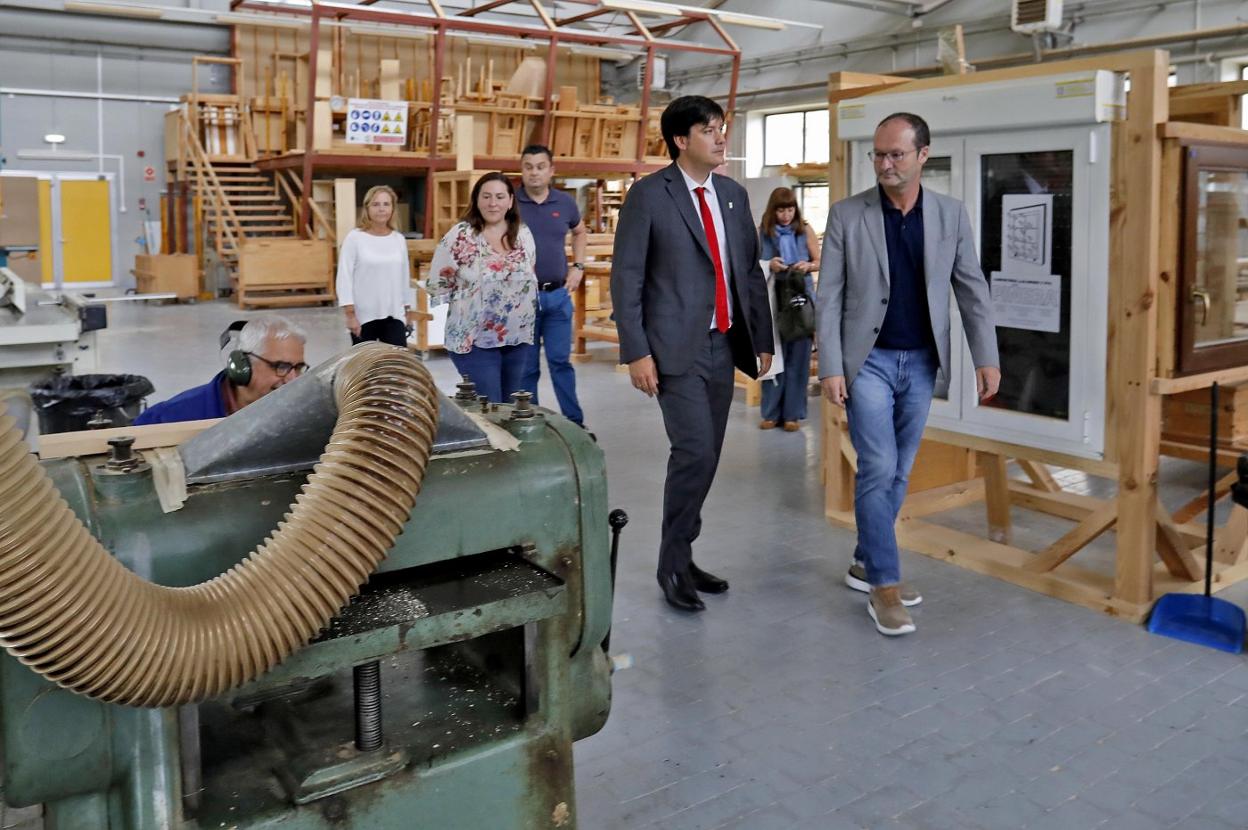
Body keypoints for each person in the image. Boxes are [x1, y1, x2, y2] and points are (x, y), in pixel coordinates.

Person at [816, 111, 1000, 637]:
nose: (885, 163)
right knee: (877, 466)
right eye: (879, 154)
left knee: (899, 471)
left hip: (921, 361)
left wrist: (986, 356)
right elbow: (828, 298)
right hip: (867, 362)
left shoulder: (949, 215)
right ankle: (885, 584)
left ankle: (864, 559)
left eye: (896, 154)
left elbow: (971, 289)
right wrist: (830, 366)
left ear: (923, 155)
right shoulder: (848, 216)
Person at [611, 95, 774, 613]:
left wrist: (763, 339)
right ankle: (671, 564)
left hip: (723, 344)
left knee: (708, 458)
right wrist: (636, 351)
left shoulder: (731, 194)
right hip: (673, 348)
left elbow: (747, 271)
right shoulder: (649, 195)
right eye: (709, 130)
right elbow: (628, 277)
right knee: (695, 452)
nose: (721, 138)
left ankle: (683, 553)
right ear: (681, 140)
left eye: (722, 128)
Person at [427, 172, 537, 403]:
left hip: (516, 337)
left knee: (511, 407)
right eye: (486, 196)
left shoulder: (523, 234)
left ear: (510, 201)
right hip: (474, 340)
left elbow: (529, 273)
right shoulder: (460, 236)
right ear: (476, 200)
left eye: (499, 196)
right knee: (490, 405)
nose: (493, 203)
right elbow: (439, 280)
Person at [516, 144, 588, 426]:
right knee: (527, 368)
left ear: (551, 170)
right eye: (528, 167)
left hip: (558, 296)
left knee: (561, 363)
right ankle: (530, 423)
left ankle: (575, 423)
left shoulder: (565, 203)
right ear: (521, 170)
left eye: (540, 166)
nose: (534, 173)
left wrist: (578, 267)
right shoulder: (510, 203)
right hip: (523, 300)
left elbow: (580, 232)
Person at [133, 315, 308, 425]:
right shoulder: (170, 418)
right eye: (281, 367)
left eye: (298, 368)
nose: (293, 379)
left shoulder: (304, 414)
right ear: (242, 366)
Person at [758, 186, 820, 432]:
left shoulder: (804, 230)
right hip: (773, 301)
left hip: (800, 301)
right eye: (781, 210)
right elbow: (750, 266)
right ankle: (771, 412)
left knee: (799, 358)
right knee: (773, 357)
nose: (786, 215)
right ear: (773, 211)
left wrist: (808, 265)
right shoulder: (763, 233)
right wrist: (768, 265)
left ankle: (793, 414)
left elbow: (820, 260)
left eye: (790, 209)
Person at [337, 184, 412, 348]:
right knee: (367, 369)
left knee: (397, 365)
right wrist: (350, 315)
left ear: (392, 208)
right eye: (376, 204)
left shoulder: (398, 239)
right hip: (363, 316)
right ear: (367, 208)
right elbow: (344, 276)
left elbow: (404, 277)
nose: (381, 209)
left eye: (386, 204)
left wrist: (408, 310)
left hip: (394, 314)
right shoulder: (355, 238)